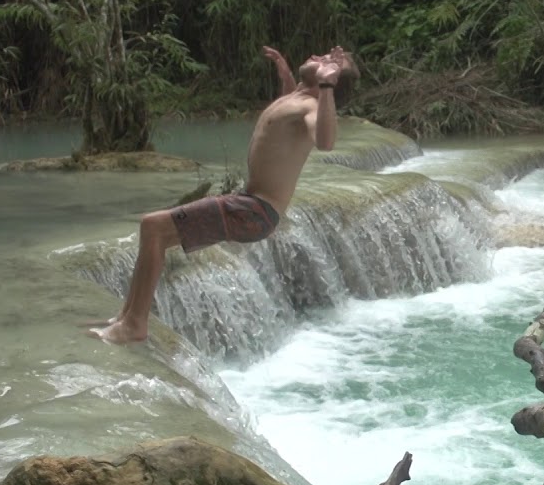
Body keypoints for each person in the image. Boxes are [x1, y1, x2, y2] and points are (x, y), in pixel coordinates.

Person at [86, 45, 358, 344]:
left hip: (254, 210)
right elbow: (282, 119)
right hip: (250, 206)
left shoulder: (313, 107)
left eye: (330, 63)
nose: (320, 59)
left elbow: (326, 141)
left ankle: (135, 325)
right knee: (155, 233)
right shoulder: (297, 98)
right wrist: (285, 75)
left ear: (330, 81)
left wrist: (327, 84)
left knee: (153, 226)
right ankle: (126, 315)